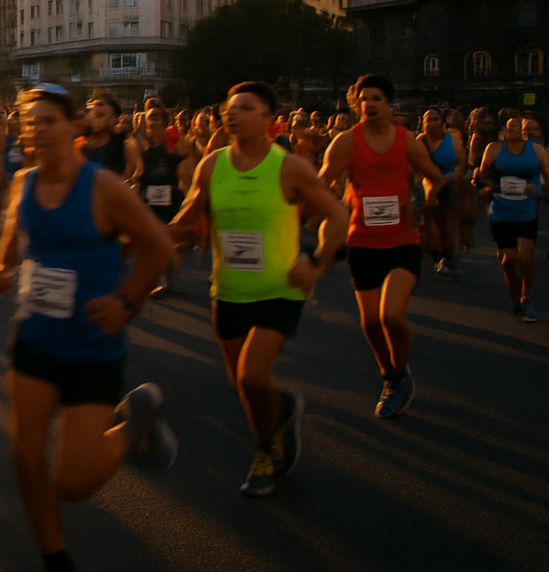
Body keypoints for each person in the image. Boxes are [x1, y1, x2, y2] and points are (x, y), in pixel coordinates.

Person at [0, 85, 177, 572]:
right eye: (29, 121)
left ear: (75, 128)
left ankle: (133, 430)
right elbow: (7, 250)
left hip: (93, 349)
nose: (37, 129)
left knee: (72, 483)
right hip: (33, 340)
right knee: (25, 460)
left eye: (48, 119)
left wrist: (127, 301)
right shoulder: (23, 183)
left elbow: (158, 247)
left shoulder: (104, 187)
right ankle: (55, 557)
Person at [170, 83, 349, 496]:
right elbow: (184, 220)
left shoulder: (288, 167)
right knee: (243, 385)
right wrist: (139, 232)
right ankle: (283, 407)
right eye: (229, 109)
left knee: (252, 377)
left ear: (269, 119)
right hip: (229, 291)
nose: (233, 115)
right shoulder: (211, 166)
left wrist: (319, 262)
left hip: (280, 289)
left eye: (246, 108)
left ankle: (264, 452)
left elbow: (336, 216)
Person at [320, 74, 446, 418]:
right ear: (357, 104)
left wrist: (429, 199)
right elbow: (321, 183)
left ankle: (399, 372)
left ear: (389, 104)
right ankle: (391, 376)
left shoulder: (407, 141)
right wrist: (332, 207)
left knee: (391, 315)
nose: (370, 104)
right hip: (362, 242)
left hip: (402, 241)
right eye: (364, 99)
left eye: (376, 98)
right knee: (371, 323)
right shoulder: (346, 142)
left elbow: (432, 176)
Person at [476, 116, 549, 322]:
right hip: (501, 211)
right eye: (512, 127)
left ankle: (527, 297)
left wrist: (539, 190)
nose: (516, 130)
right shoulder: (494, 149)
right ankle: (515, 295)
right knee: (509, 261)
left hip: (526, 211)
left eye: (519, 127)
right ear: (504, 131)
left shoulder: (537, 151)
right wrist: (485, 187)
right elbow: (481, 176)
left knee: (526, 260)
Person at [138, 108, 192, 297]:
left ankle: (168, 283)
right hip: (149, 200)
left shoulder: (176, 146)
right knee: (152, 243)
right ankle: (157, 278)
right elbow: (137, 172)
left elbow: (185, 174)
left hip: (171, 200)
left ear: (165, 125)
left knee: (170, 244)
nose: (152, 125)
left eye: (157, 122)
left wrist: (184, 195)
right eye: (149, 122)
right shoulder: (142, 146)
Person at [418, 108, 466, 280]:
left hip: (449, 181)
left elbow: (461, 163)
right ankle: (435, 250)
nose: (430, 122)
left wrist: (456, 174)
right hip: (429, 180)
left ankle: (449, 252)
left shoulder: (452, 141)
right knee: (428, 219)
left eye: (434, 119)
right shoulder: (420, 141)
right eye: (427, 119)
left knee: (446, 217)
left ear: (442, 122)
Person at [78, 93, 141, 180]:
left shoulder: (124, 146)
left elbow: (130, 175)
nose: (95, 108)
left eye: (100, 116)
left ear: (114, 118)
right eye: (92, 112)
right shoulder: (78, 145)